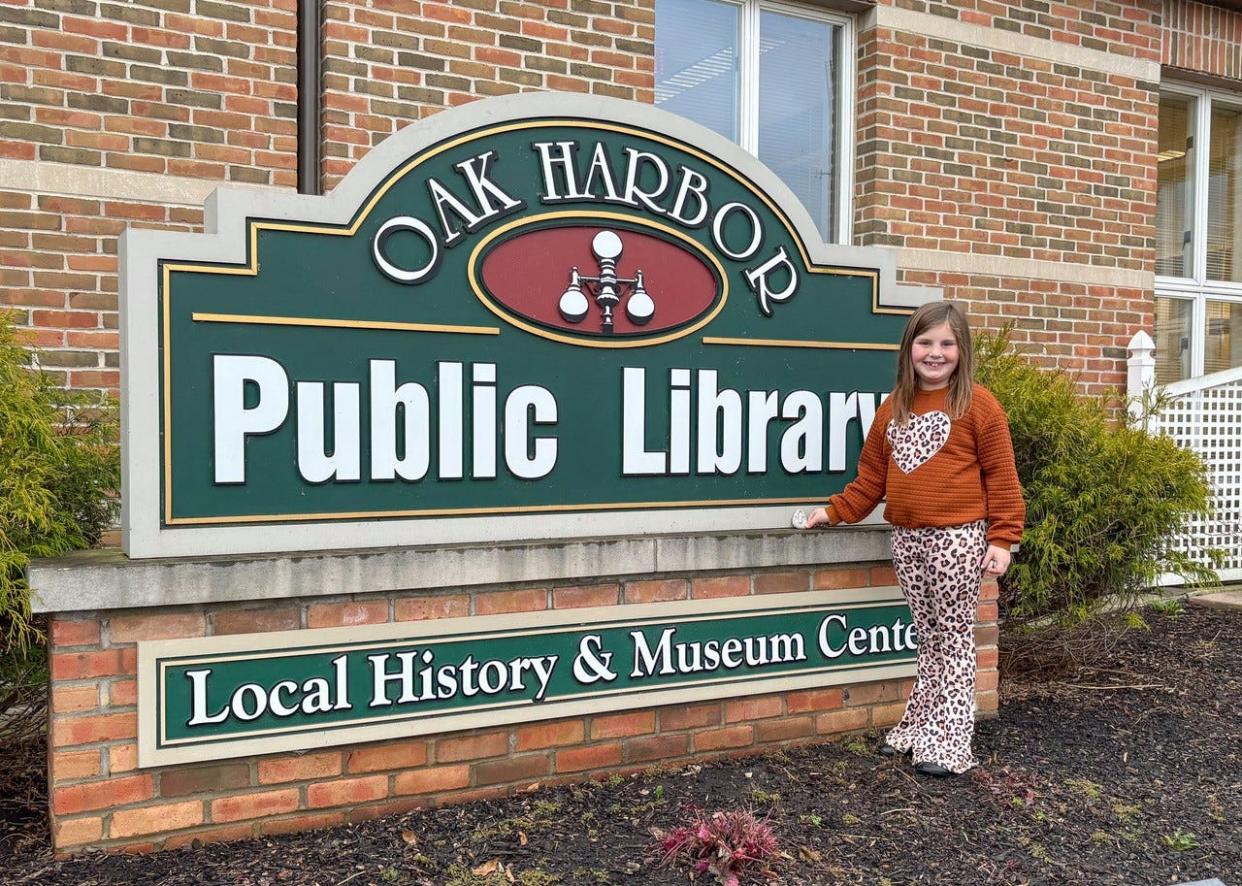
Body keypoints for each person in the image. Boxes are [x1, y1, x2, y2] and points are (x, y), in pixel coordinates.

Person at [800, 301, 1024, 778]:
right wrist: (833, 512)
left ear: (962, 351)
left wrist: (1002, 539)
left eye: (947, 343)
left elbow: (1003, 478)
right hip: (907, 541)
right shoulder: (894, 408)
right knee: (928, 639)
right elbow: (870, 482)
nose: (935, 353)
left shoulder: (978, 405)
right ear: (909, 350)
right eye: (925, 342)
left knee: (955, 639)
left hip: (957, 541)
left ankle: (950, 742)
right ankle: (919, 727)